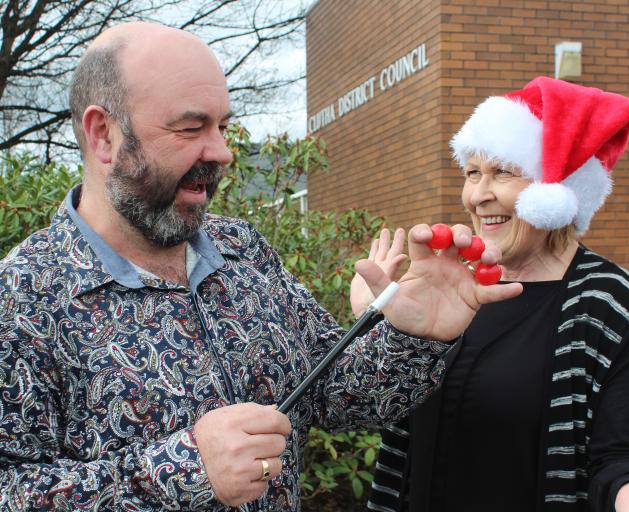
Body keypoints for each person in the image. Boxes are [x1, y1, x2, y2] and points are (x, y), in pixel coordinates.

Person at [0, 22, 521, 512]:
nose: (223, 152)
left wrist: (414, 338)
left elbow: (337, 398)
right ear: (103, 134)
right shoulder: (22, 297)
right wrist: (182, 471)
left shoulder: (241, 248)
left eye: (223, 126)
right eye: (191, 127)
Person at [356, 76, 629, 512]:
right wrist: (379, 328)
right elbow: (378, 412)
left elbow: (617, 460)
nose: (478, 196)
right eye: (471, 174)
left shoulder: (609, 304)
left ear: (557, 191)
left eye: (503, 171)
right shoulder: (452, 286)